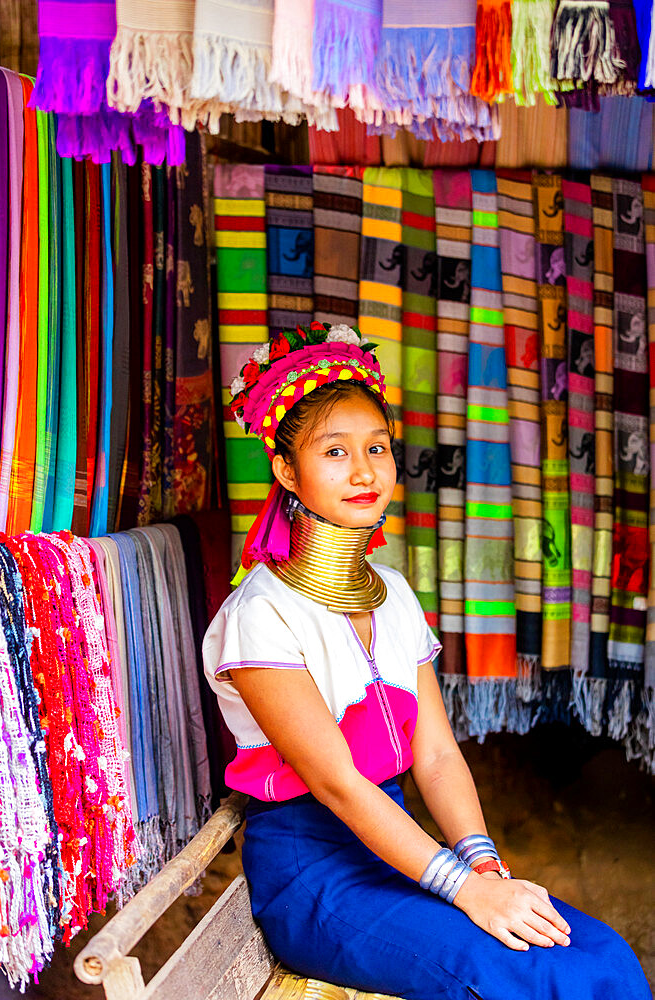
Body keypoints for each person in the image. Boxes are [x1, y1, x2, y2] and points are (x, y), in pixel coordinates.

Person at [203, 324, 651, 1000]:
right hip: (315, 874)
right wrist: (463, 890)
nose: (363, 471)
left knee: (602, 955)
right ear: (286, 470)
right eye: (334, 451)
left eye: (376, 448)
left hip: (402, 848)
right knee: (517, 977)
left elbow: (436, 754)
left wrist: (485, 869)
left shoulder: (395, 593)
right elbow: (338, 787)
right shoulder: (259, 615)